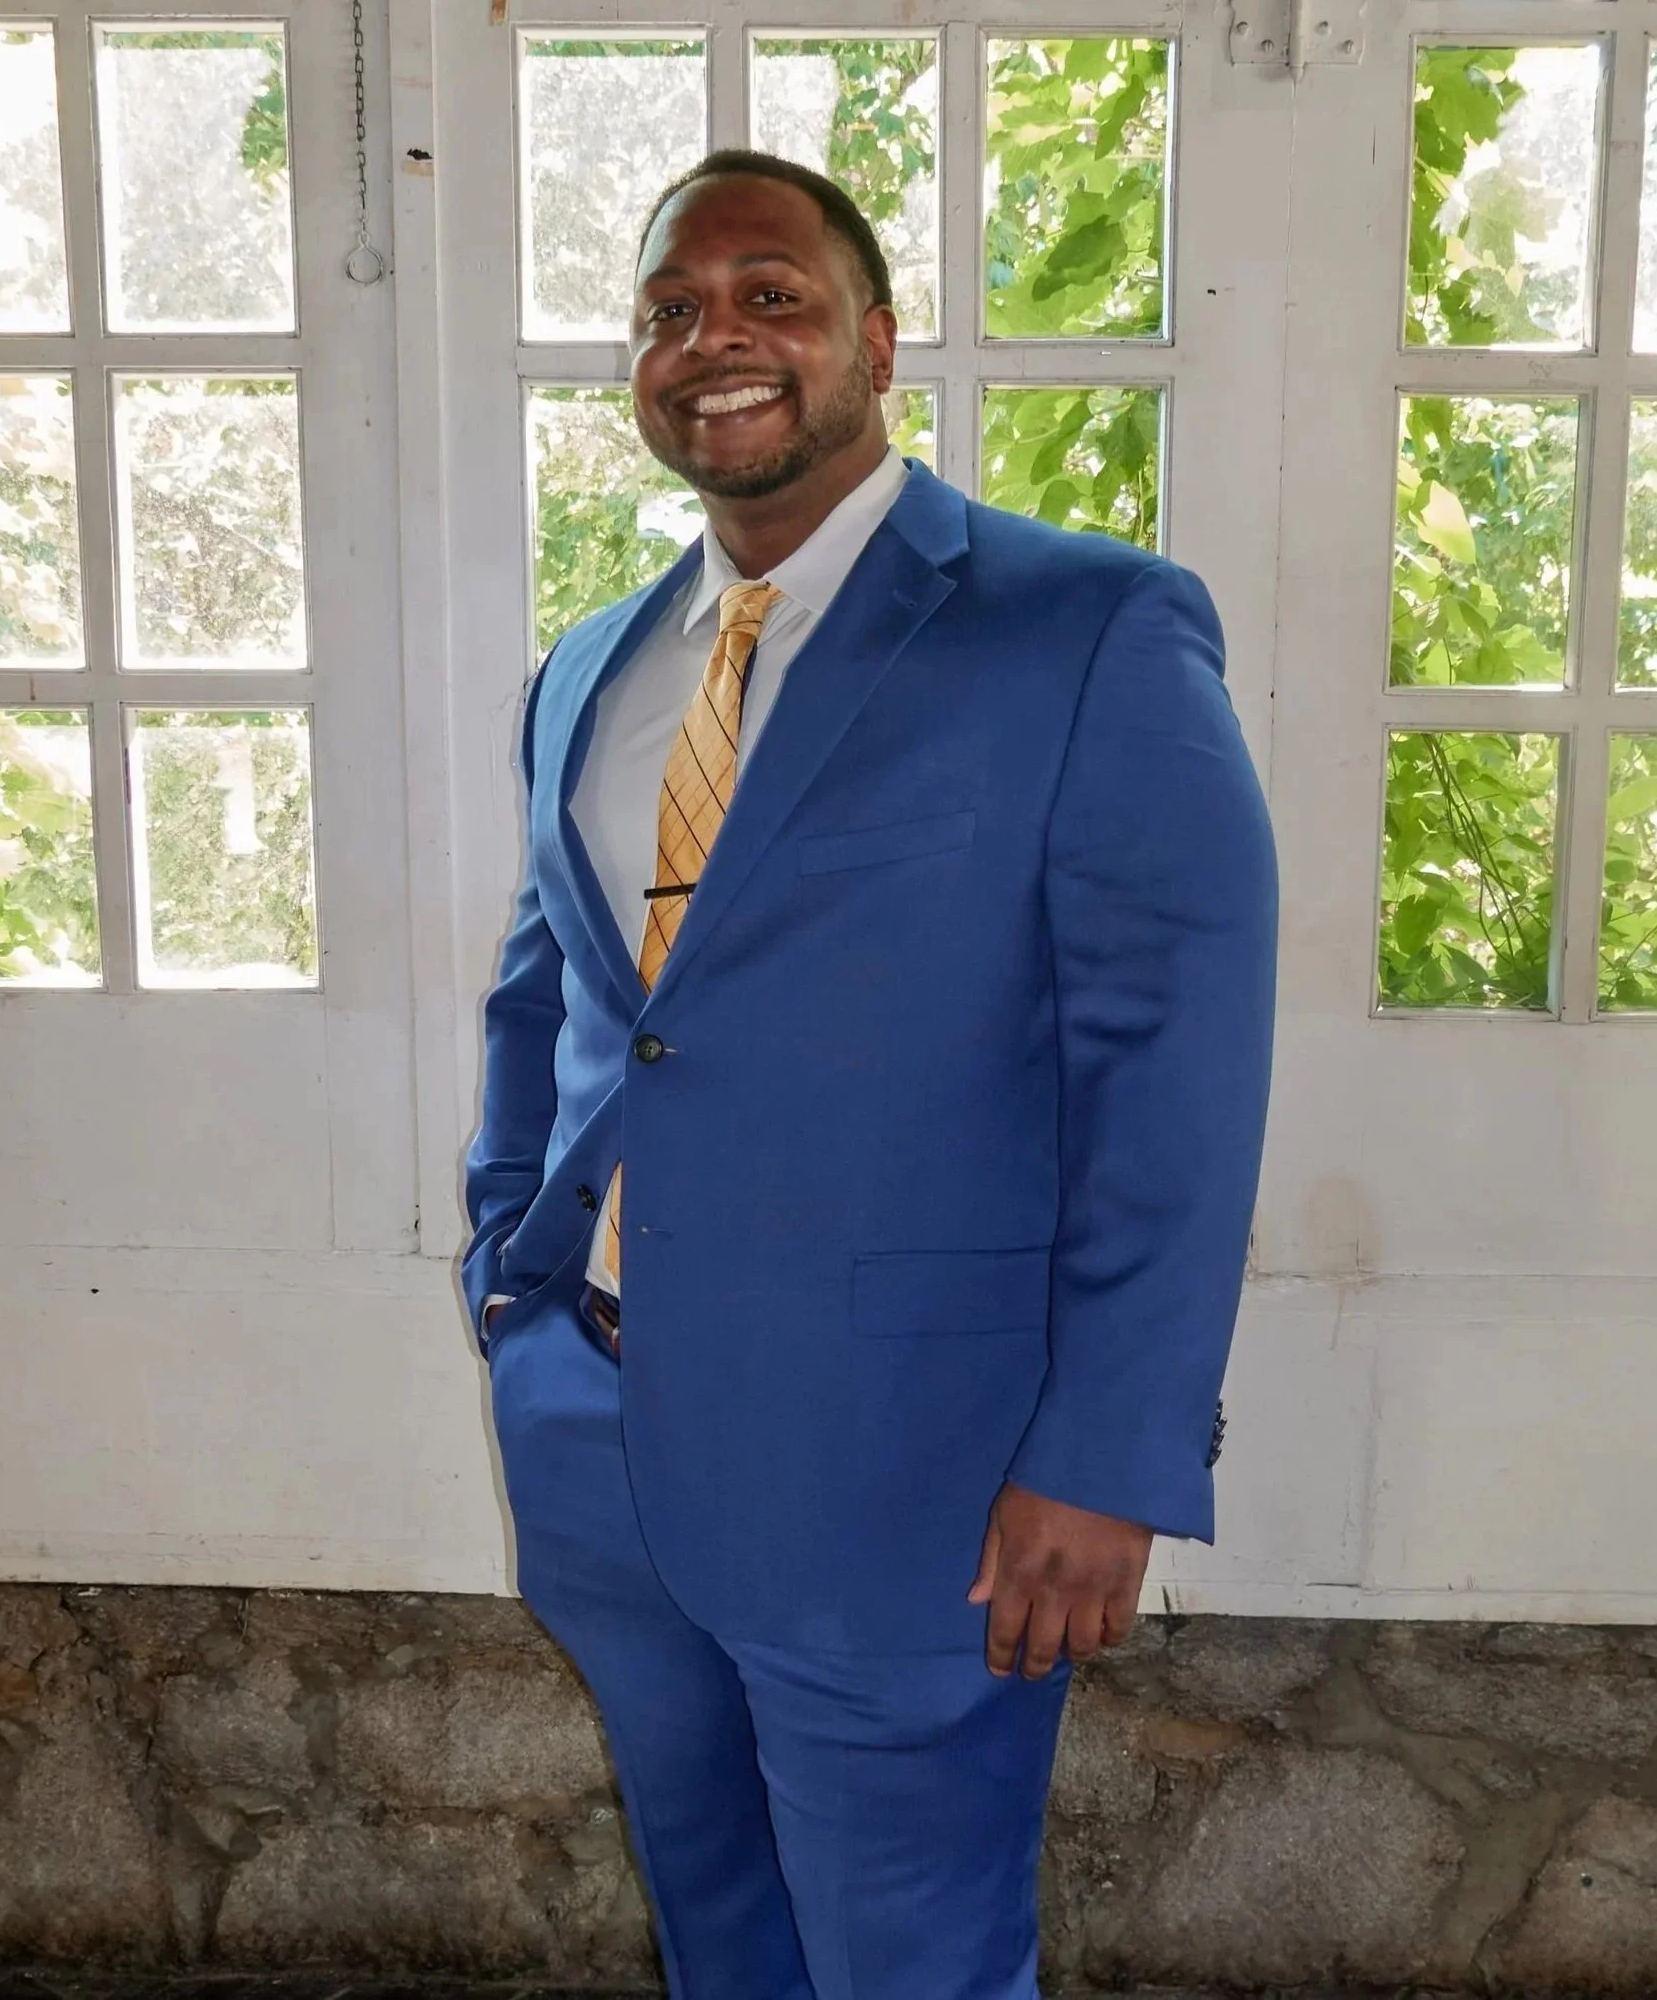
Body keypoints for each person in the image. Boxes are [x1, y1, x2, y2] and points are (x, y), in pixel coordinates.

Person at [463, 148, 1277, 2000]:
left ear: (876, 342)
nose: (714, 340)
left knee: (914, 1965)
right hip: (603, 1443)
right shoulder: (591, 671)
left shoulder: (1082, 629)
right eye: (671, 309)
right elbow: (556, 1006)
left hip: (919, 1480)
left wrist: (1109, 1451)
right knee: (724, 1942)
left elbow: (1174, 1073)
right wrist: (507, 1273)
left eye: (771, 296)